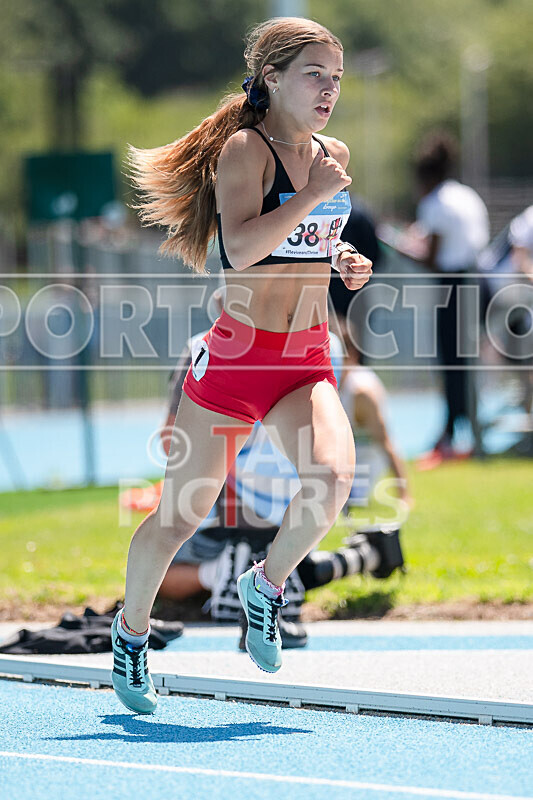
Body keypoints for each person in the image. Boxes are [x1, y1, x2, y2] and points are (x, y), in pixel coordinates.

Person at [111, 17, 372, 714]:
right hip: (238, 359)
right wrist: (315, 196)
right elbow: (242, 249)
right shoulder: (243, 150)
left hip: (305, 356)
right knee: (179, 516)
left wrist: (339, 259)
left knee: (332, 478)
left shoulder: (331, 152)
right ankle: (131, 632)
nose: (328, 91)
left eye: (336, 78)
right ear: (274, 78)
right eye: (314, 74)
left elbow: (306, 240)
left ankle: (266, 584)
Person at [386, 132, 490, 462]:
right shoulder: (466, 195)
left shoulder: (435, 203)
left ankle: (451, 437)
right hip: (478, 281)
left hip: (455, 286)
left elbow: (432, 260)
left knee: (453, 363)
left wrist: (397, 246)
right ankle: (466, 434)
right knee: (466, 363)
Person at [336, 316, 413, 512]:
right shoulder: (326, 386)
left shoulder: (361, 392)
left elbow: (386, 442)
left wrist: (404, 496)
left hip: (358, 473)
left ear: (350, 355)